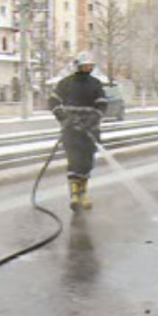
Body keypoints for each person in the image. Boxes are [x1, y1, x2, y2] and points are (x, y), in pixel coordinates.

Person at [48, 51, 108, 211]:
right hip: (71, 130)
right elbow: (53, 101)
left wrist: (93, 119)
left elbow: (102, 104)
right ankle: (75, 194)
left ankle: (83, 193)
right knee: (74, 161)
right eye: (85, 65)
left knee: (87, 163)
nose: (88, 67)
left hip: (90, 130)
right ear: (78, 66)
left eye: (90, 65)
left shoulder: (95, 84)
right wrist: (62, 116)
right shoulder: (65, 83)